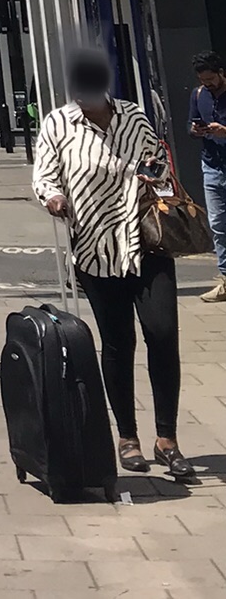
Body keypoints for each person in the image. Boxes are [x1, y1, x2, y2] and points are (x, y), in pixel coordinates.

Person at [33, 45, 197, 481]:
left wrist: (153, 174)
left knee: (163, 334)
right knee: (118, 342)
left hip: (146, 242)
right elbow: (44, 176)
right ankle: (127, 437)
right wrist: (54, 197)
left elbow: (161, 168)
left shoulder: (134, 116)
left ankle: (167, 439)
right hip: (96, 249)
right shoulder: (58, 124)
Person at [187, 51, 226, 304]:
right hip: (212, 167)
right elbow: (190, 126)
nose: (207, 84)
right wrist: (195, 130)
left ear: (221, 73)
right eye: (203, 80)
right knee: (218, 226)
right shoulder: (198, 94)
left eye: (211, 79)